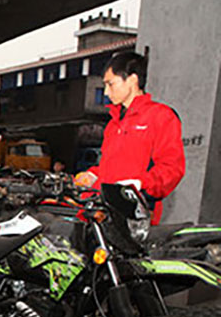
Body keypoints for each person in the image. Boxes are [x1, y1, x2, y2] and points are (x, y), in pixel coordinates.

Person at [74, 52, 185, 224]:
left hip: (135, 215)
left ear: (132, 80)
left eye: (110, 84)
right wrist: (93, 175)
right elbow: (111, 168)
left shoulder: (160, 116)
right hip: (104, 212)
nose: (106, 92)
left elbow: (171, 168)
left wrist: (140, 185)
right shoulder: (114, 124)